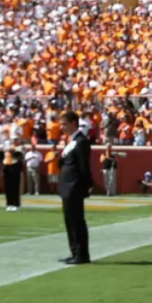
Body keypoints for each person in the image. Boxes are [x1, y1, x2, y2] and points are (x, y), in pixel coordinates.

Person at [58, 111, 93, 265]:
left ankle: (82, 254)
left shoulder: (81, 141)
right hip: (67, 186)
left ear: (73, 123)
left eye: (64, 124)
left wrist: (86, 185)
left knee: (77, 221)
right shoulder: (71, 141)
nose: (62, 127)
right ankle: (74, 252)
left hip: (74, 186)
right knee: (69, 221)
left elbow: (83, 166)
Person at [2, 143, 24, 212]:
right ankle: (9, 204)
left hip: (15, 172)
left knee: (15, 188)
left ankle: (16, 204)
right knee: (8, 189)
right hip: (7, 172)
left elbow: (19, 155)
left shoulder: (18, 154)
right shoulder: (6, 155)